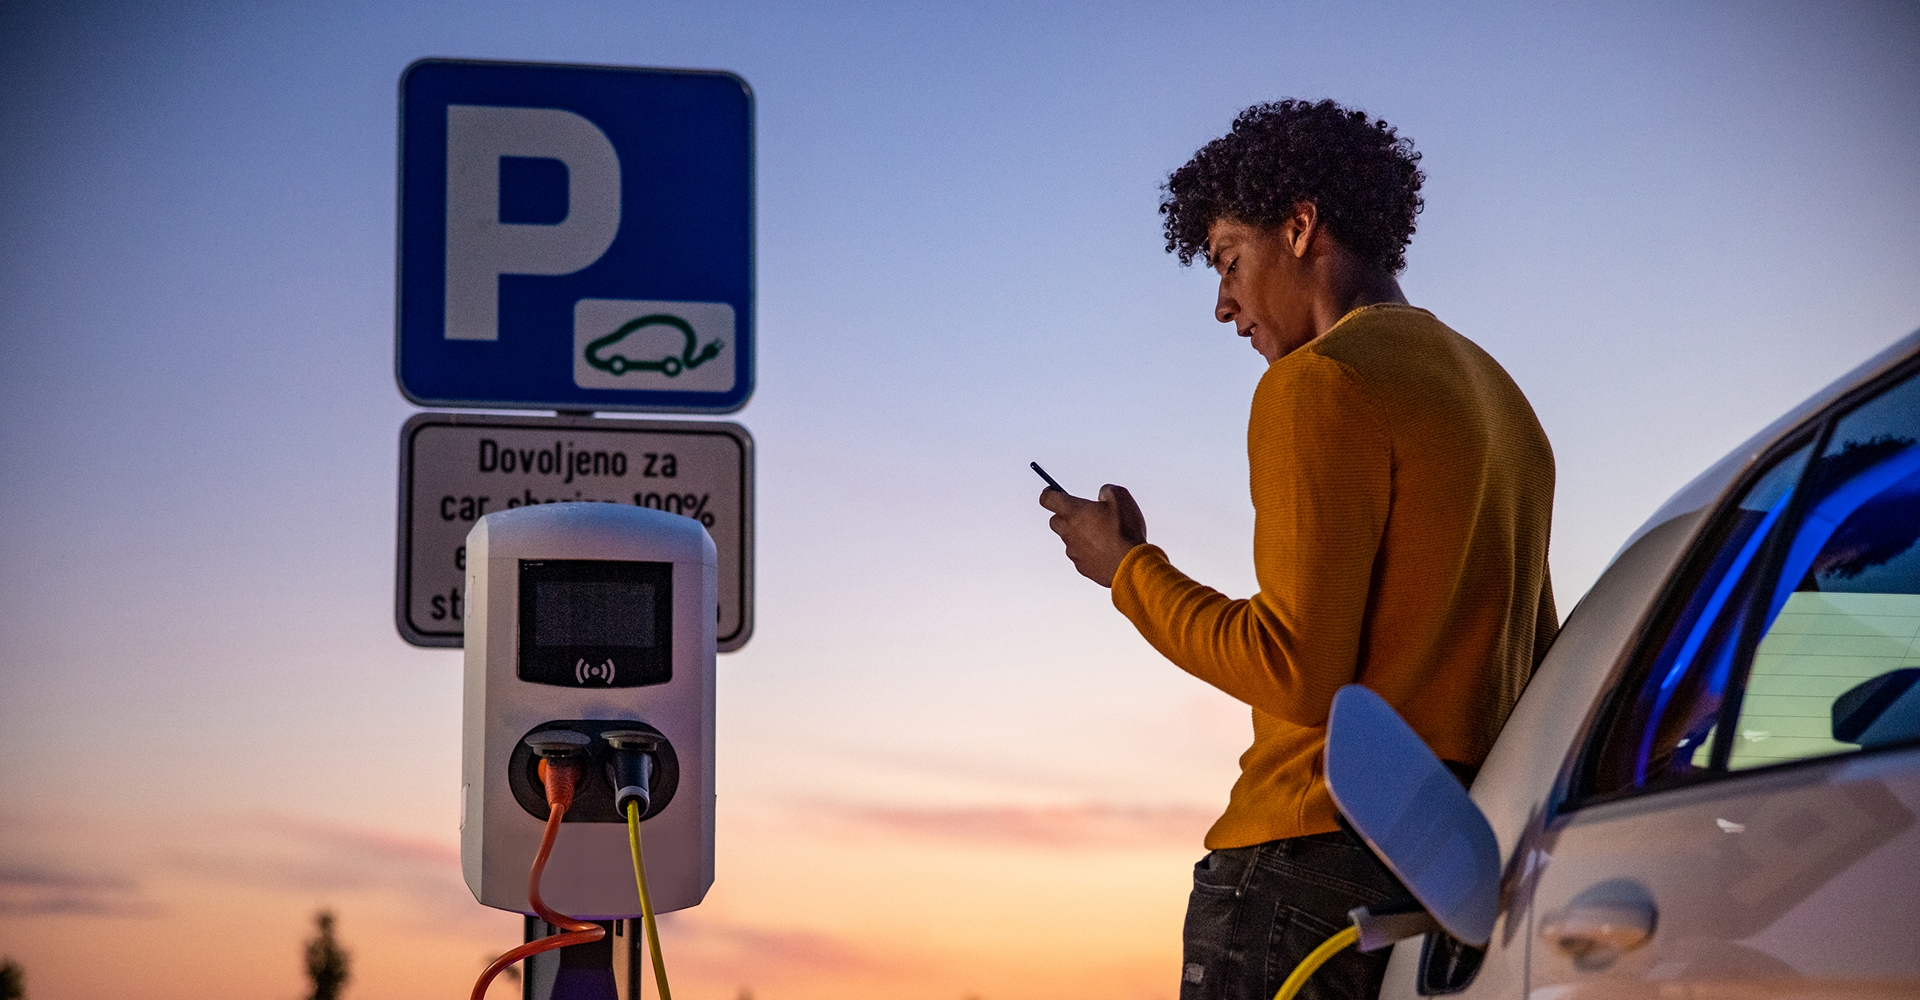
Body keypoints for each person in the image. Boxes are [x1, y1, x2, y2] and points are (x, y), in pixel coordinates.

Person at [1038, 99, 1558, 1000]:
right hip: (1451, 874)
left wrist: (1126, 570)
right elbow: (1533, 670)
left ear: (1301, 226)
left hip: (1303, 870)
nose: (1222, 305)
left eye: (1229, 262)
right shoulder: (1506, 406)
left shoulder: (1316, 385)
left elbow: (1295, 668)